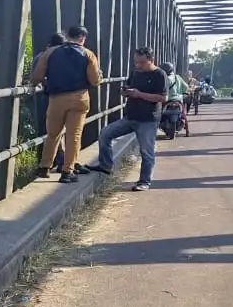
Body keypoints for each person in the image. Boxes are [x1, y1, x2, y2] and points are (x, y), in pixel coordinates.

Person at [87, 46, 168, 192]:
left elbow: (162, 97)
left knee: (146, 152)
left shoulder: (160, 75)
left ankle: (144, 181)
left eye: (142, 62)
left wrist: (139, 94)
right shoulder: (136, 72)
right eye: (136, 62)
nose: (138, 65)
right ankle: (105, 165)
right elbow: (130, 87)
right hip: (130, 117)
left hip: (148, 120)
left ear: (151, 60)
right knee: (105, 133)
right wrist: (125, 92)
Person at [30, 25, 101, 183]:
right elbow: (95, 80)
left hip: (56, 98)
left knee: (53, 133)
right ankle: (67, 172)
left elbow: (37, 76)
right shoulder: (88, 54)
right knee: (73, 135)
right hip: (79, 98)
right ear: (82, 37)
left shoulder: (50, 52)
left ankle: (44, 166)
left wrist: (39, 83)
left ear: (68, 35)